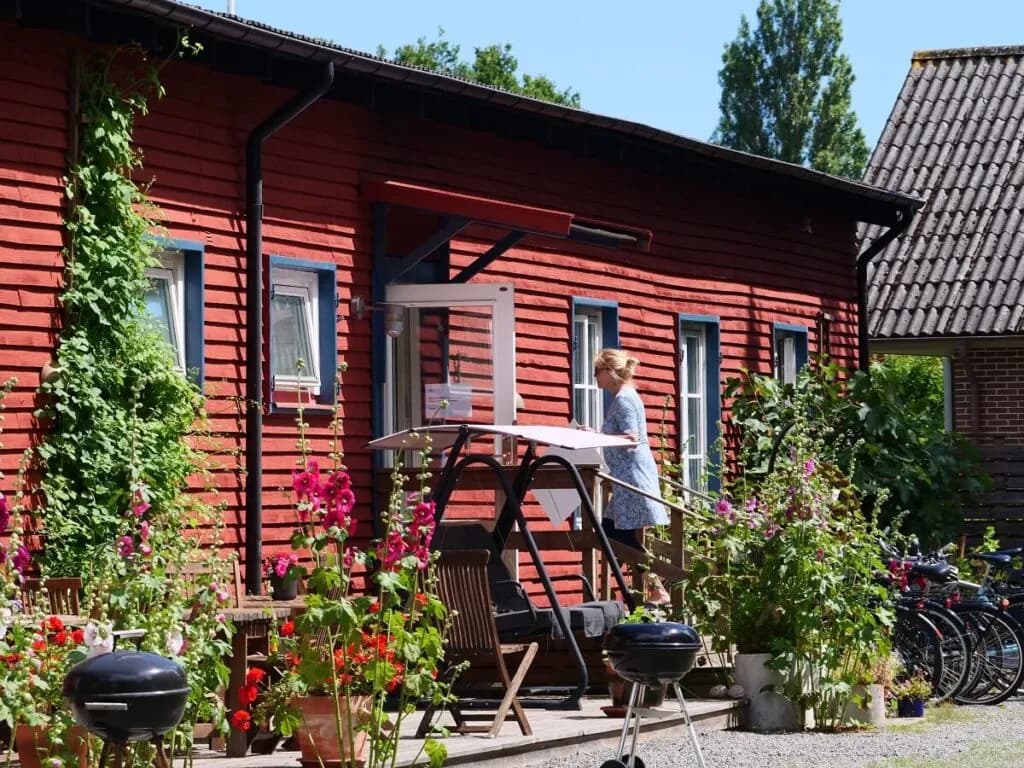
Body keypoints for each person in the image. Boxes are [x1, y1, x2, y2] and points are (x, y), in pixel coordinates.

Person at [592, 348, 671, 605]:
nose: (595, 378)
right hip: (626, 478)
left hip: (632, 478)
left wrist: (597, 437)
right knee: (613, 533)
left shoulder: (624, 399)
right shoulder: (624, 397)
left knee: (614, 534)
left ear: (611, 372)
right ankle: (643, 592)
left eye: (597, 372)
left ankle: (657, 588)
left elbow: (631, 439)